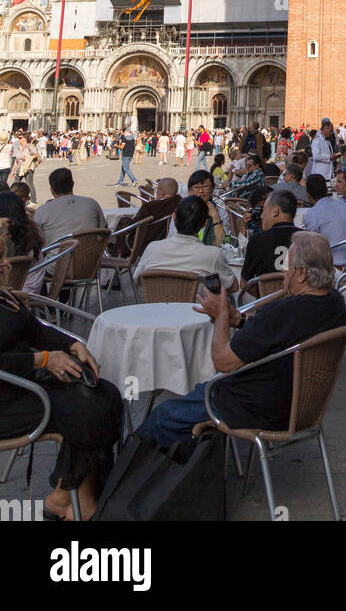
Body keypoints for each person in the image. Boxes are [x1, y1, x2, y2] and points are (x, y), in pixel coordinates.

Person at [137, 232, 346, 447]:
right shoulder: (335, 304)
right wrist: (237, 318)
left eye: (287, 266)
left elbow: (223, 361)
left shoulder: (282, 312)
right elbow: (275, 334)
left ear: (301, 273)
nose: (283, 271)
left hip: (251, 407)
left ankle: (132, 472)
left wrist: (220, 316)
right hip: (300, 408)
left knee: (161, 417)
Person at [0, 231, 123, 520]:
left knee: (108, 395)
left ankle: (71, 494)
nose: (7, 263)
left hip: (24, 388)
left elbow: (37, 330)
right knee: (87, 410)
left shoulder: (4, 296)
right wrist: (42, 359)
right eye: (0, 257)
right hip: (6, 402)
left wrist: (72, 344)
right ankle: (71, 497)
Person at [133, 195, 235, 290]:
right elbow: (233, 287)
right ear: (204, 224)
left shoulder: (152, 248)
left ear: (174, 217)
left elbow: (138, 279)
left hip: (158, 307)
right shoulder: (213, 255)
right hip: (196, 308)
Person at [34, 169, 107, 248]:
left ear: (52, 190)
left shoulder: (42, 211)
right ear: (73, 184)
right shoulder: (92, 203)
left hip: (56, 259)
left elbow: (36, 242)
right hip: (91, 258)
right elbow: (104, 231)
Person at [241, 190, 299, 283]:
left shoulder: (256, 241)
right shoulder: (308, 240)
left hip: (266, 297)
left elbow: (245, 284)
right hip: (300, 295)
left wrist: (265, 294)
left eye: (263, 210)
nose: (262, 216)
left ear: (275, 210)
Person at [304, 174, 346, 269]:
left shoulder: (312, 213)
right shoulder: (345, 206)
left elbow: (312, 249)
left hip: (334, 271)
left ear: (308, 194)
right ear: (327, 190)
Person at [186, 171, 226, 246]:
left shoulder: (221, 211)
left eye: (205, 186)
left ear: (213, 189)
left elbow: (226, 242)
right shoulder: (183, 211)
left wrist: (215, 217)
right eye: (196, 187)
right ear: (190, 191)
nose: (201, 191)